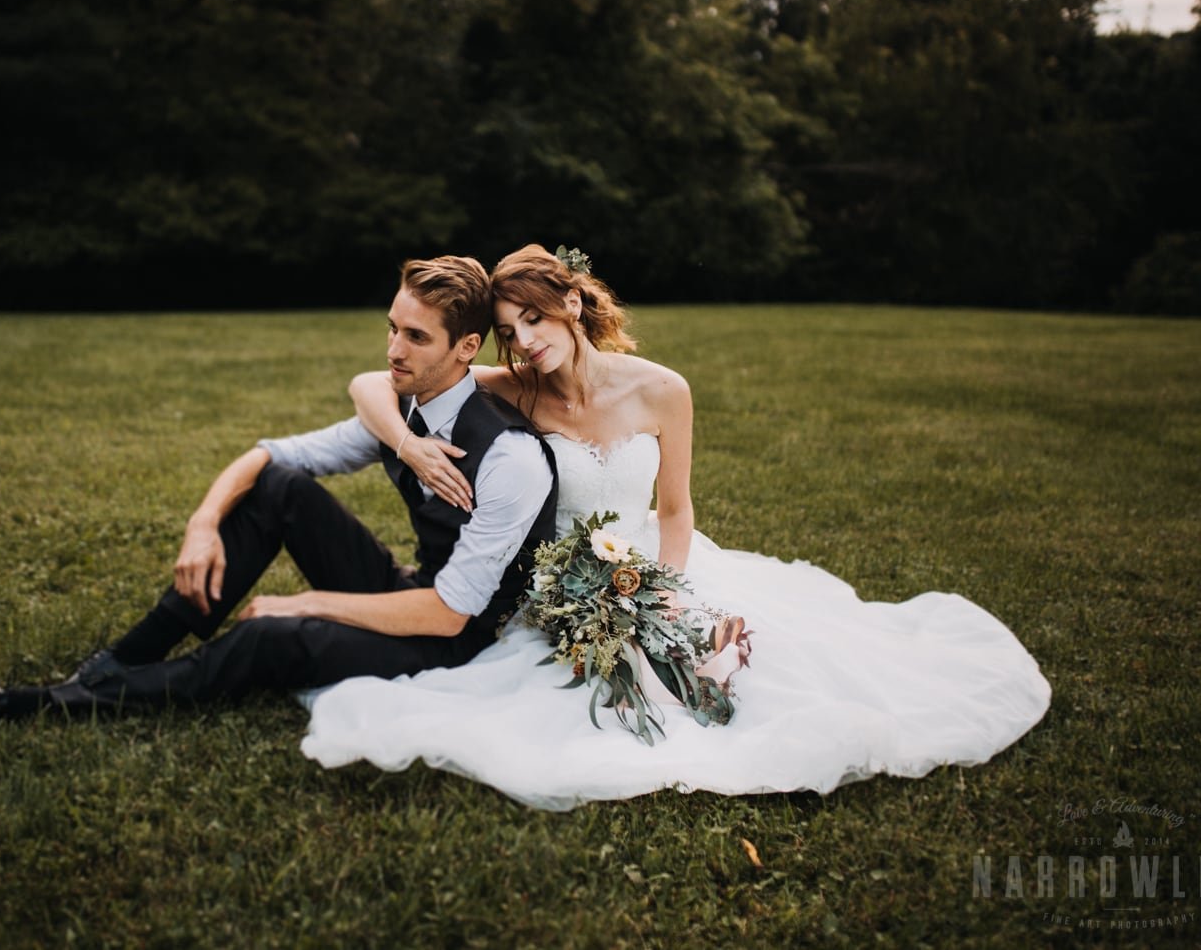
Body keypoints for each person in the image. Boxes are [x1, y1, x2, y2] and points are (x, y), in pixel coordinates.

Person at [302, 244, 1051, 809]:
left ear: (571, 299)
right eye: (507, 329)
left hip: (659, 564)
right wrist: (405, 442)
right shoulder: (513, 389)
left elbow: (675, 510)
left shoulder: (663, 390)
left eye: (533, 317)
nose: (524, 340)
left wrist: (665, 590)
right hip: (556, 585)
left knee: (751, 674)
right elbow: (371, 384)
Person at [0, 256, 557, 734]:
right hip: (413, 588)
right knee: (279, 488)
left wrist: (305, 603)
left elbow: (447, 615)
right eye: (391, 327)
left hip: (457, 637)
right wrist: (204, 522)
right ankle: (124, 657)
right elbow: (273, 454)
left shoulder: (511, 458)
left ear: (467, 347)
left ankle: (39, 703)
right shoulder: (404, 411)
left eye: (415, 337)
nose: (393, 350)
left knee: (271, 638)